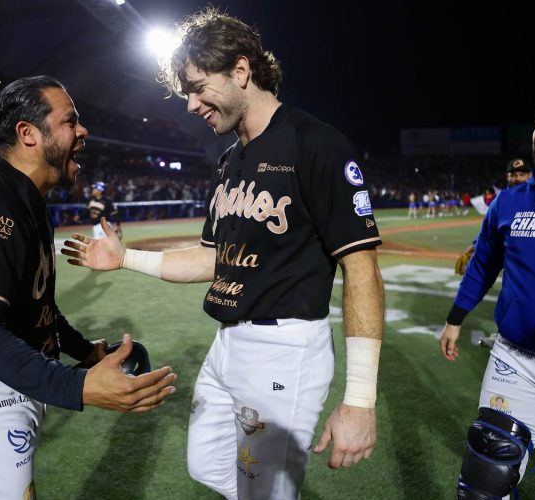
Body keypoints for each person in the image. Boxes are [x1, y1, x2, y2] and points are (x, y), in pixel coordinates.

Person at [62, 9, 385, 499]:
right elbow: (212, 259)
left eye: (197, 88)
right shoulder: (231, 160)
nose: (190, 105)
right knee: (206, 465)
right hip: (228, 343)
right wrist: (125, 259)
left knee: (263, 491)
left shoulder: (313, 143)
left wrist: (360, 398)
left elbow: (361, 268)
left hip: (284, 350)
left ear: (240, 71)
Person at [0, 75, 176, 499]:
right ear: (28, 133)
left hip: (5, 382)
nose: (83, 131)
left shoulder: (25, 198)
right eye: (71, 121)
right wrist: (78, 386)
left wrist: (85, 351)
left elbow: (35, 307)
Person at [439, 88, 535, 499]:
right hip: (517, 358)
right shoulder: (508, 202)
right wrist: (455, 319)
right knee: (483, 483)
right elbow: (483, 266)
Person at [454, 158, 533, 277]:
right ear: (507, 177)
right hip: (515, 270)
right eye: (513, 175)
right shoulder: (500, 202)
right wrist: (472, 249)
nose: (517, 179)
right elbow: (488, 233)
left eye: (522, 174)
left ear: (530, 175)